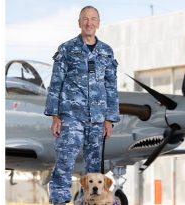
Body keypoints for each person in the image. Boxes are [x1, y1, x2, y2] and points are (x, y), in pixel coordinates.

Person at [44, 5, 120, 205]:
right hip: (71, 117)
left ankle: (92, 203)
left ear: (98, 23)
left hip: (97, 119)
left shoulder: (106, 52)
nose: (89, 23)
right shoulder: (66, 49)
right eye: (85, 19)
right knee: (64, 163)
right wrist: (55, 115)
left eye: (93, 19)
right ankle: (59, 201)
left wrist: (109, 119)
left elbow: (111, 87)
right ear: (79, 22)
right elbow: (55, 83)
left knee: (94, 169)